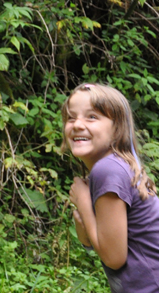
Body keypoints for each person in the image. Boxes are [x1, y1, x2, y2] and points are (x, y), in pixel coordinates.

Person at [64, 83, 159, 292]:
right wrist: (85, 227)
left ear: (117, 128)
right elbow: (97, 242)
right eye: (71, 117)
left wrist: (83, 203)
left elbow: (114, 258)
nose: (77, 124)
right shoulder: (114, 166)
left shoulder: (108, 170)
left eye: (92, 117)